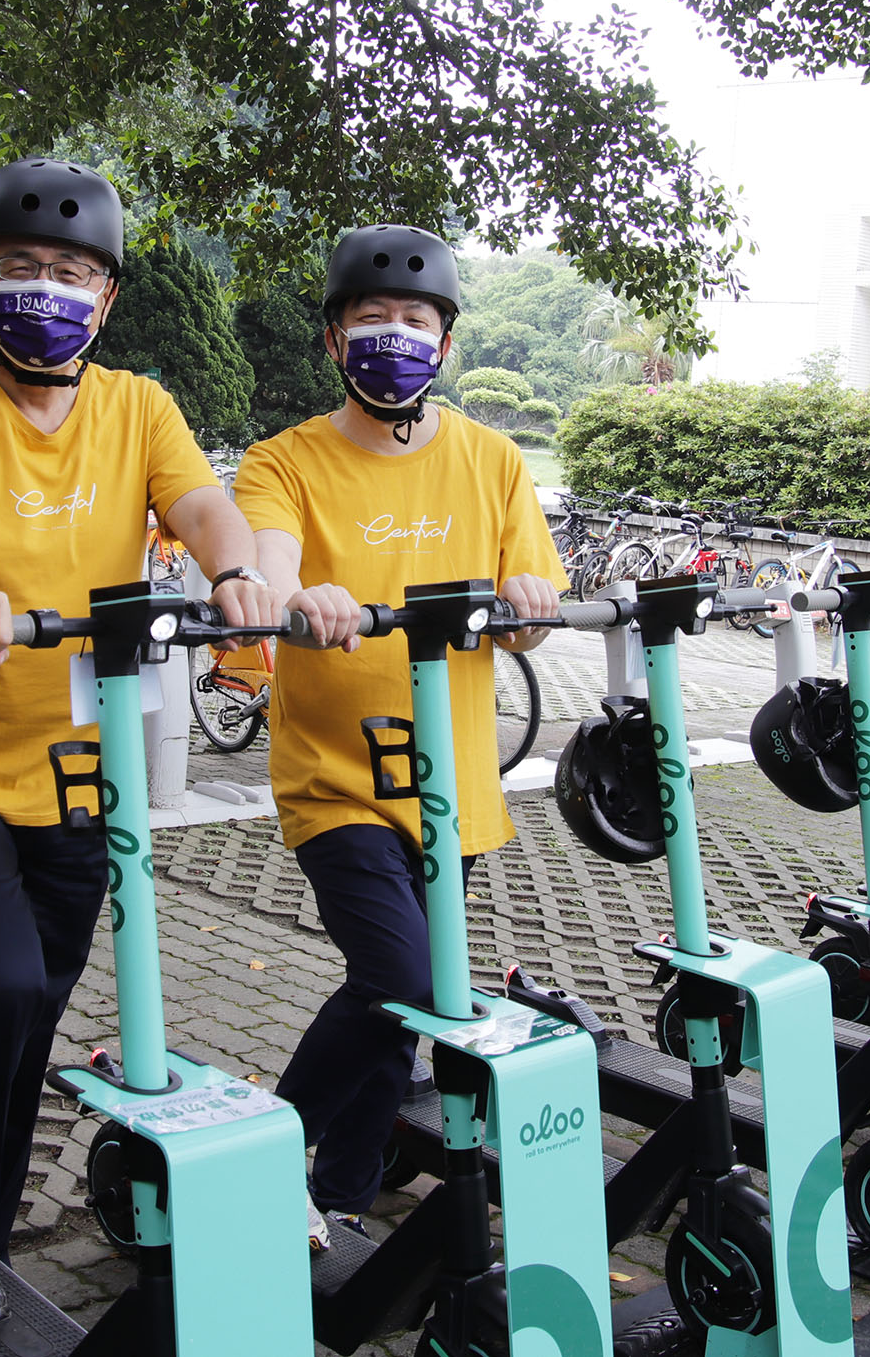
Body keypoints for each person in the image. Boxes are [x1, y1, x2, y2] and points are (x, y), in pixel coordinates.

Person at [0, 158, 280, 1329]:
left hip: (75, 762)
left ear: (109, 296)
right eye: (22, 269)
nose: (47, 290)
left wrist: (232, 567)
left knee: (34, 1000)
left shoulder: (138, 405)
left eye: (73, 274)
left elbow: (199, 504)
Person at [234, 223, 567, 1237]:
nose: (393, 337)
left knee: (408, 999)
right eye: (369, 320)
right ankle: (261, 1156)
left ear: (447, 343)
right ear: (333, 342)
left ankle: (342, 1186)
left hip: (452, 778)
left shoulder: (493, 459)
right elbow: (267, 565)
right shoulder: (282, 459)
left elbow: (534, 604)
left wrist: (527, 602)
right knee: (401, 975)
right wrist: (300, 596)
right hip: (336, 778)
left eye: (413, 321)